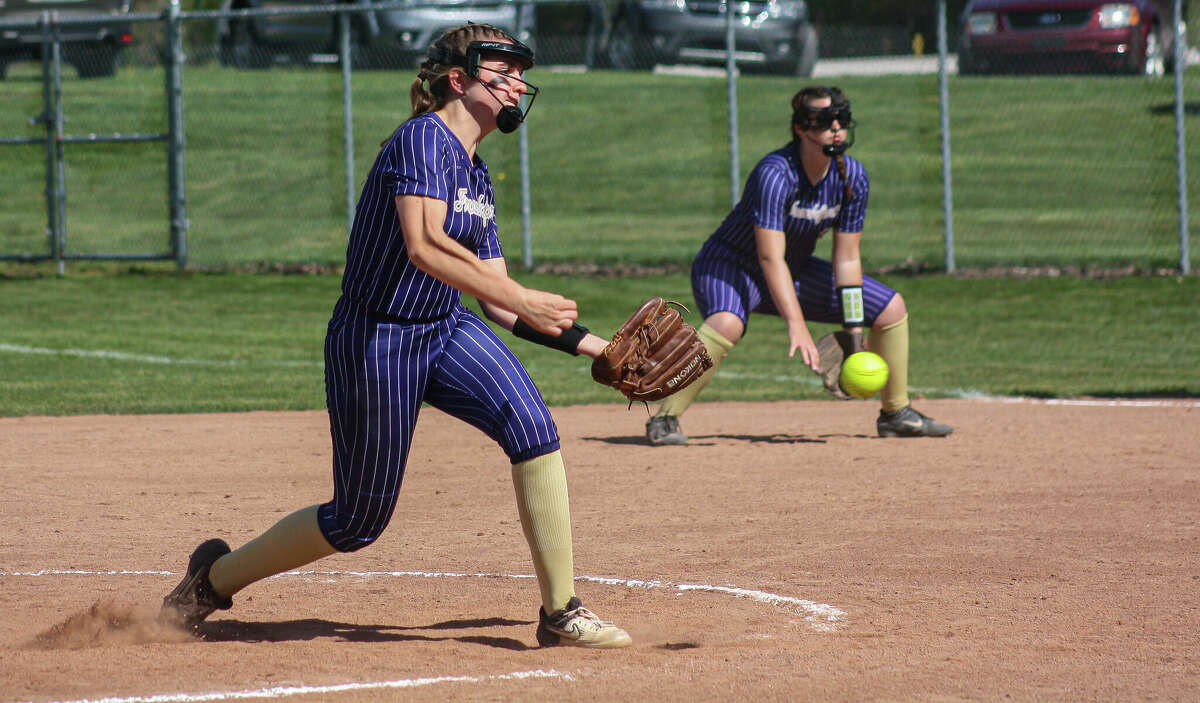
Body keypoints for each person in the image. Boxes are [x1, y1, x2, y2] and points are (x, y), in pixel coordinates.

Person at [161, 23, 631, 649]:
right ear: (458, 80)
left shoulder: (477, 175)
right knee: (357, 520)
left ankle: (560, 611)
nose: (518, 81)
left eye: (521, 70)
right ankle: (211, 582)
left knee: (534, 428)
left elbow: (497, 300)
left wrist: (595, 346)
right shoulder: (421, 140)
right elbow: (425, 245)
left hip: (445, 328)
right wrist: (519, 295)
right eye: (503, 68)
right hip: (376, 339)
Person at [644, 85, 952, 446]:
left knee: (891, 308)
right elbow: (768, 257)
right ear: (801, 128)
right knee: (727, 322)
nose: (835, 127)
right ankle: (664, 419)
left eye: (842, 118)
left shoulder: (851, 177)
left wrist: (854, 334)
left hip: (794, 267)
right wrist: (797, 325)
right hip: (730, 264)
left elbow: (847, 258)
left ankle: (896, 413)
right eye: (824, 120)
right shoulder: (776, 174)